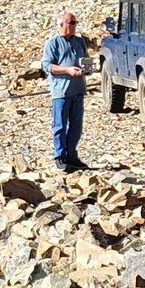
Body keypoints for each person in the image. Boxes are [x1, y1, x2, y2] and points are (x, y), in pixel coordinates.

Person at [40, 10, 90, 170]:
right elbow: (47, 65)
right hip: (61, 92)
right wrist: (67, 70)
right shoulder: (52, 43)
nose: (75, 26)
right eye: (72, 23)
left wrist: (87, 69)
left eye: (75, 23)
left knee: (76, 126)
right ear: (62, 24)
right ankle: (60, 156)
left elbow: (85, 58)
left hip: (78, 89)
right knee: (60, 125)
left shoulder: (79, 41)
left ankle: (72, 155)